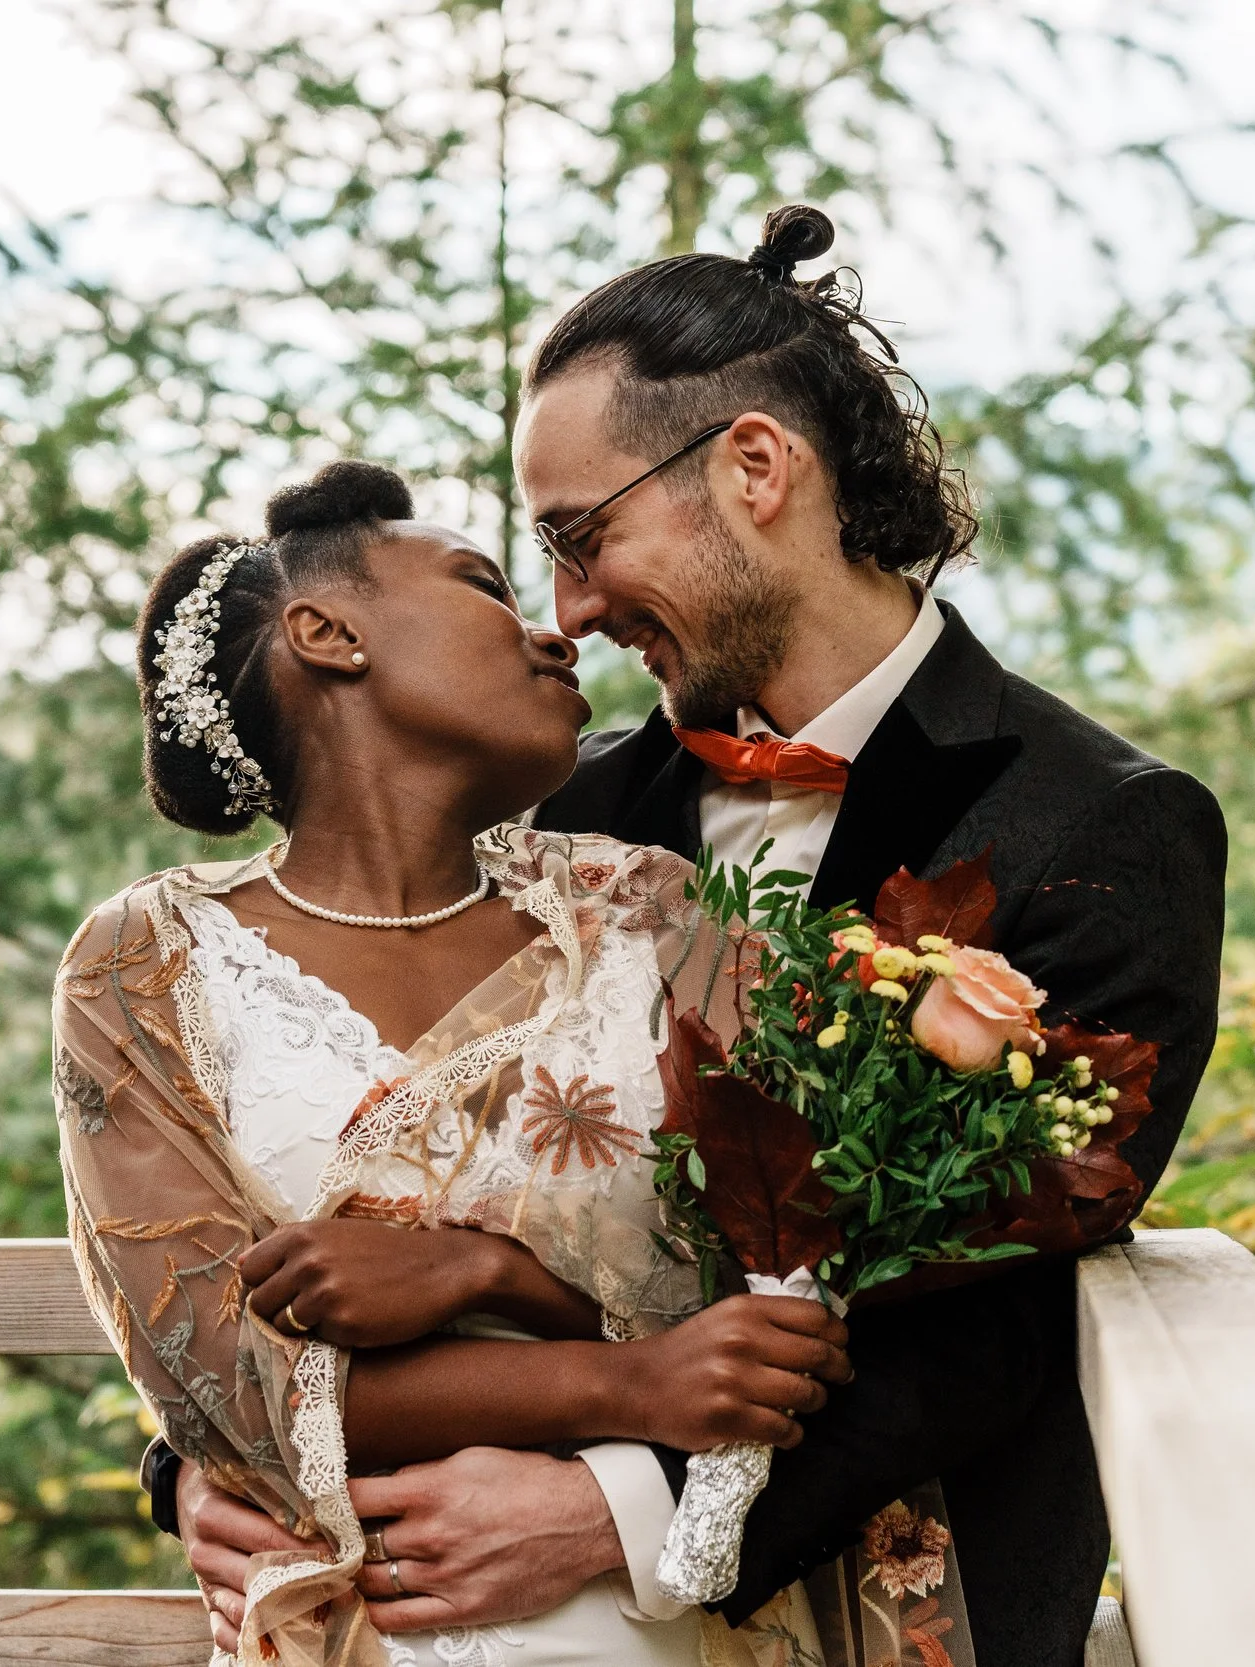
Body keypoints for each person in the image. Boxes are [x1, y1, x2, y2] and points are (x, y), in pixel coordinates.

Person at [150, 205, 1229, 1667]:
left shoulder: (1105, 823)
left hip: (907, 1609)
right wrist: (207, 1463)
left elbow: (998, 1311)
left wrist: (619, 1510)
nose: (572, 610)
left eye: (582, 537)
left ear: (755, 468)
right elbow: (363, 1168)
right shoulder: (563, 814)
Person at [53, 458, 976, 1666]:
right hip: (363, 1626)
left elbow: (807, 1281)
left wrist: (483, 1274)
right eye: (484, 585)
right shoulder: (145, 960)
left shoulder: (654, 912)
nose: (556, 631)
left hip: (670, 1621)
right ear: (327, 634)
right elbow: (215, 1377)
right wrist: (629, 1384)